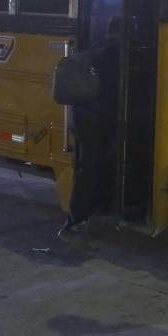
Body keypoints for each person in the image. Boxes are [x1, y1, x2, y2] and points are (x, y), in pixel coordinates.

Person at [57, 16, 122, 241]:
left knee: (89, 165)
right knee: (94, 166)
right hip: (99, 117)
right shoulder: (119, 53)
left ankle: (83, 214)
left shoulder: (98, 49)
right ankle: (79, 217)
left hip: (84, 115)